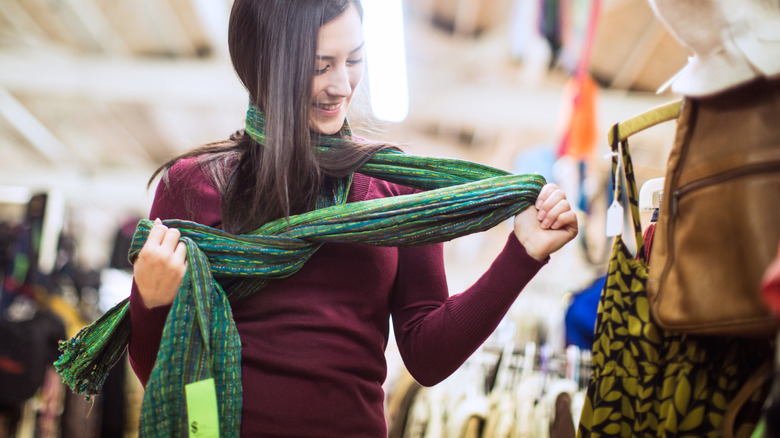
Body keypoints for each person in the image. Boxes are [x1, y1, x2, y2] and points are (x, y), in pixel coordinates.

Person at [128, 0, 578, 436]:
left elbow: (427, 357)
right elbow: (161, 374)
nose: (343, 85)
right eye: (321, 65)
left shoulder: (401, 189)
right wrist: (149, 301)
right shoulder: (193, 185)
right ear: (265, 65)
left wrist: (522, 254)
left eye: (355, 59)